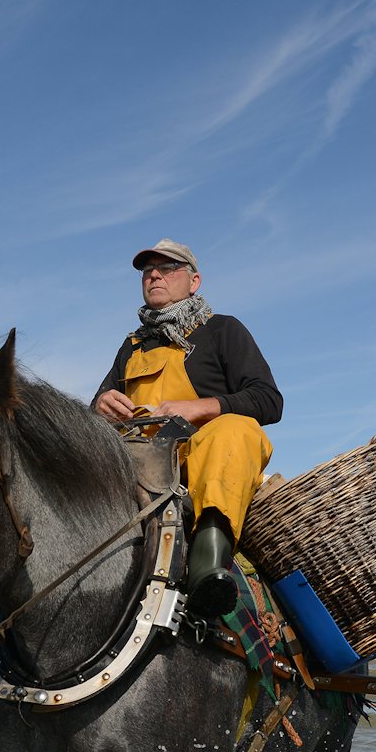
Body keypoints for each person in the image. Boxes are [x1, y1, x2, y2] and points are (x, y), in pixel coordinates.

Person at [92, 238, 281, 618]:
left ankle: (207, 567)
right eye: (148, 271)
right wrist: (99, 407)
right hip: (138, 467)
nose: (155, 275)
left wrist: (201, 408)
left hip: (205, 467)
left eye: (168, 268)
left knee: (235, 429)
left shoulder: (222, 330)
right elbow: (96, 411)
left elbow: (268, 401)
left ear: (194, 282)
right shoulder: (131, 346)